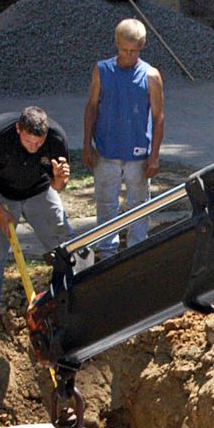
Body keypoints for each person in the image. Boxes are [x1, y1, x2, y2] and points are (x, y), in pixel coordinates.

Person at [0, 106, 71, 338]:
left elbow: (57, 186)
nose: (34, 147)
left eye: (38, 143)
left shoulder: (56, 138)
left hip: (39, 191)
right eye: (29, 141)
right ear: (18, 129)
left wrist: (61, 180)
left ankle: (74, 299)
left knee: (64, 243)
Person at [82, 18, 165, 258]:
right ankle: (107, 253)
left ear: (141, 47)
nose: (128, 56)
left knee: (138, 204)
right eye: (123, 50)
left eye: (133, 51)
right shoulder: (102, 70)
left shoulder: (150, 76)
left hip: (137, 154)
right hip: (107, 151)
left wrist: (155, 155)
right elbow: (92, 107)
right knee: (106, 204)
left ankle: (136, 251)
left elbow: (159, 116)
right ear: (117, 45)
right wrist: (87, 144)